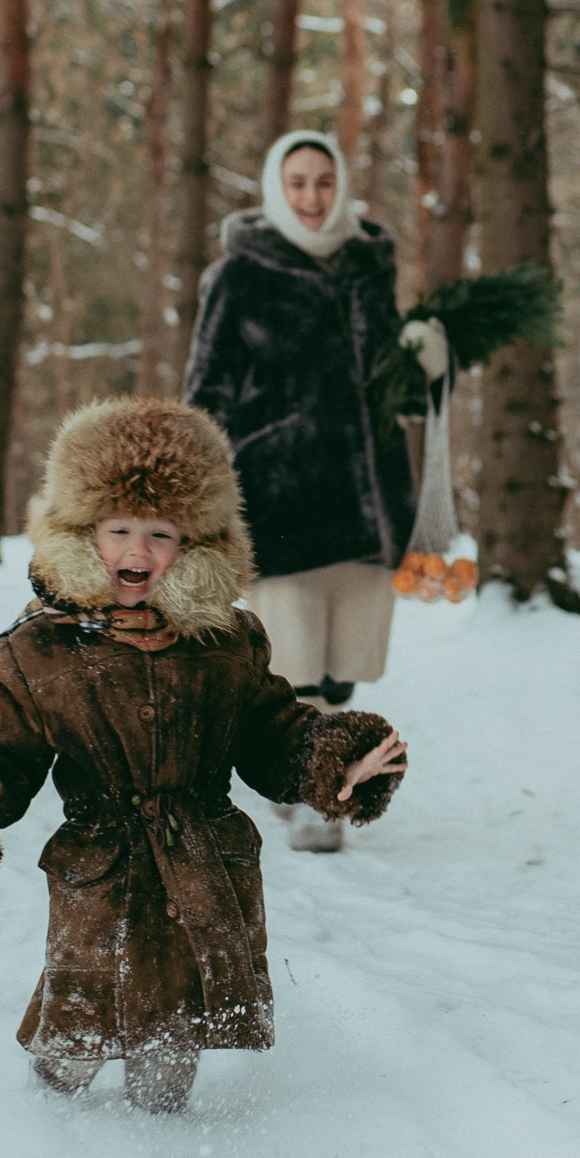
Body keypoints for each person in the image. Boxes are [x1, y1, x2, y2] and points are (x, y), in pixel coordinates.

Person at [0, 396, 407, 1113]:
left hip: (207, 878)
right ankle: (47, 1138)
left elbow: (271, 734)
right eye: (118, 530)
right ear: (83, 532)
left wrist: (332, 759)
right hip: (101, 878)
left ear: (196, 542)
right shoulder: (37, 654)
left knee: (172, 1036)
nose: (138, 552)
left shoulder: (227, 644)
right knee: (76, 1031)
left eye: (160, 533)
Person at [185, 128, 416, 846]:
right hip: (276, 498)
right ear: (274, 189)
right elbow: (204, 393)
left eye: (322, 181)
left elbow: (397, 388)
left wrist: (429, 361)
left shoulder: (369, 266)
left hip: (368, 496)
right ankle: (321, 797)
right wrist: (206, 495)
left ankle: (299, 762)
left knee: (346, 666)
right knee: (293, 662)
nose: (311, 196)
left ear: (340, 185)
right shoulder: (238, 275)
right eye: (297, 183)